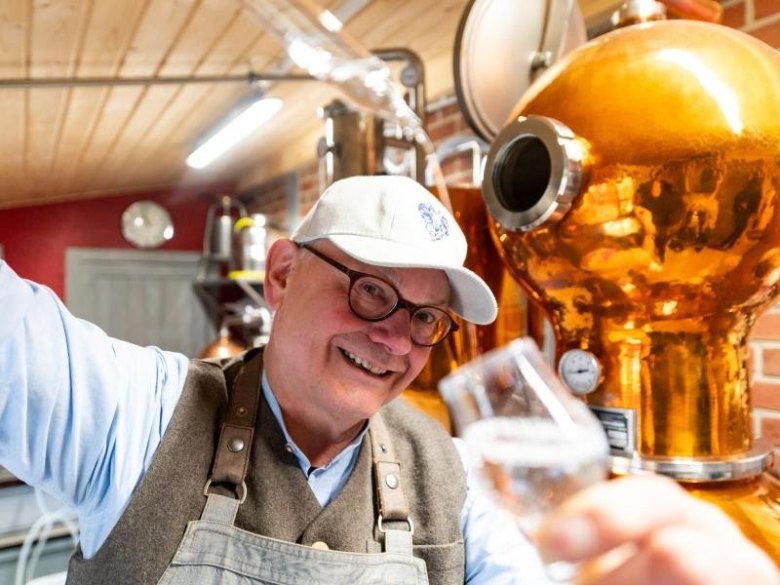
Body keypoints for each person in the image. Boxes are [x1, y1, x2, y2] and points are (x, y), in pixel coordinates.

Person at [0, 175, 777, 585]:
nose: (394, 337)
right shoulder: (138, 415)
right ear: (280, 273)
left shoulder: (457, 481)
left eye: (424, 318)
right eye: (371, 290)